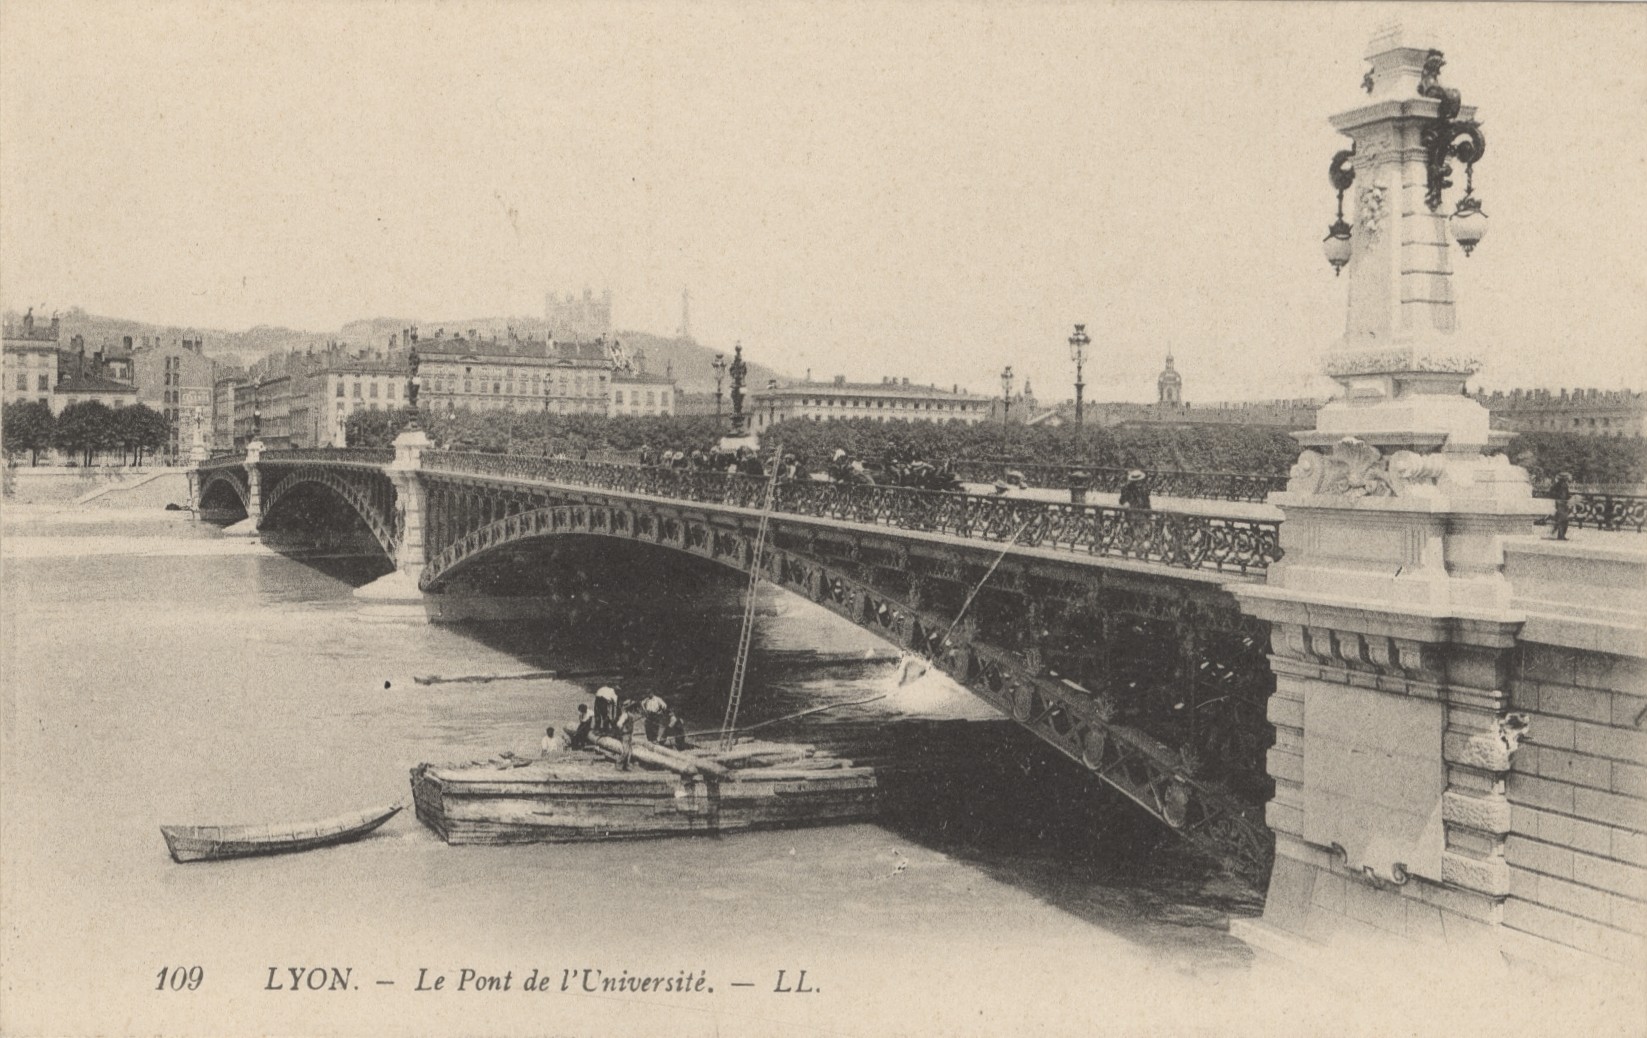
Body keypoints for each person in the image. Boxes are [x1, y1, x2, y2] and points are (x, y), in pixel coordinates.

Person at [1549, 471, 1572, 540]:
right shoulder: (1560, 485)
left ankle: (1560, 535)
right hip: (1560, 504)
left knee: (1563, 520)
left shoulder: (1562, 485)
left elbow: (1566, 495)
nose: (1570, 478)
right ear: (1565, 478)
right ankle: (1560, 535)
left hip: (1563, 504)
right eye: (1568, 477)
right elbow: (1554, 494)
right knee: (1563, 520)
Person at [616, 700, 638, 771]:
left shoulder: (631, 715)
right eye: (632, 708)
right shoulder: (625, 715)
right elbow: (619, 724)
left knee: (629, 751)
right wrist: (623, 729)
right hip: (625, 735)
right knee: (625, 751)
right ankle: (618, 764)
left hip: (629, 734)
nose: (634, 709)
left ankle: (626, 765)